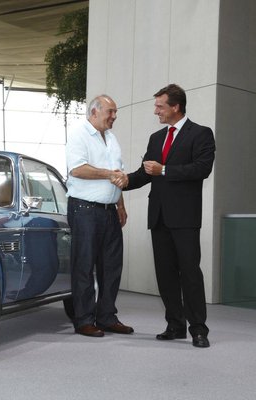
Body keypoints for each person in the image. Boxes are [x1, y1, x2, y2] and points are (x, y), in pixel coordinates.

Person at [122, 84, 215, 348]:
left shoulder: (201, 133)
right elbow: (145, 173)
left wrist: (164, 170)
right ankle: (175, 325)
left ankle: (199, 330)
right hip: (159, 217)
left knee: (190, 274)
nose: (156, 111)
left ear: (176, 107)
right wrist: (122, 180)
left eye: (160, 106)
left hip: (185, 218)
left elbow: (202, 169)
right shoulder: (156, 138)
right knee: (165, 275)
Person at [66, 94, 133, 337]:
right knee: (84, 266)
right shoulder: (78, 134)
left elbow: (119, 173)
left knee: (112, 267)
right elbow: (77, 169)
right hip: (84, 210)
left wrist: (120, 204)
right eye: (110, 112)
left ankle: (106, 317)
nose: (114, 116)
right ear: (94, 112)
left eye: (115, 112)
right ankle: (84, 320)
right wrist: (108, 174)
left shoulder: (111, 138)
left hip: (109, 211)